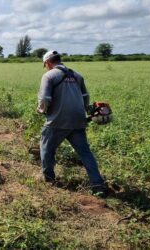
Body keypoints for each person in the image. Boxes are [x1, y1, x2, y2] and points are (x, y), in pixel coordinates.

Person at [37, 50, 107, 197]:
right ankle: (98, 185)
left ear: (48, 63)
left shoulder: (49, 76)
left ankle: (49, 179)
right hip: (78, 121)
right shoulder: (77, 75)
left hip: (57, 122)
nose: (45, 67)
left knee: (47, 149)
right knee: (85, 153)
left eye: (45, 65)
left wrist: (41, 110)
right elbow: (85, 97)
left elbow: (44, 99)